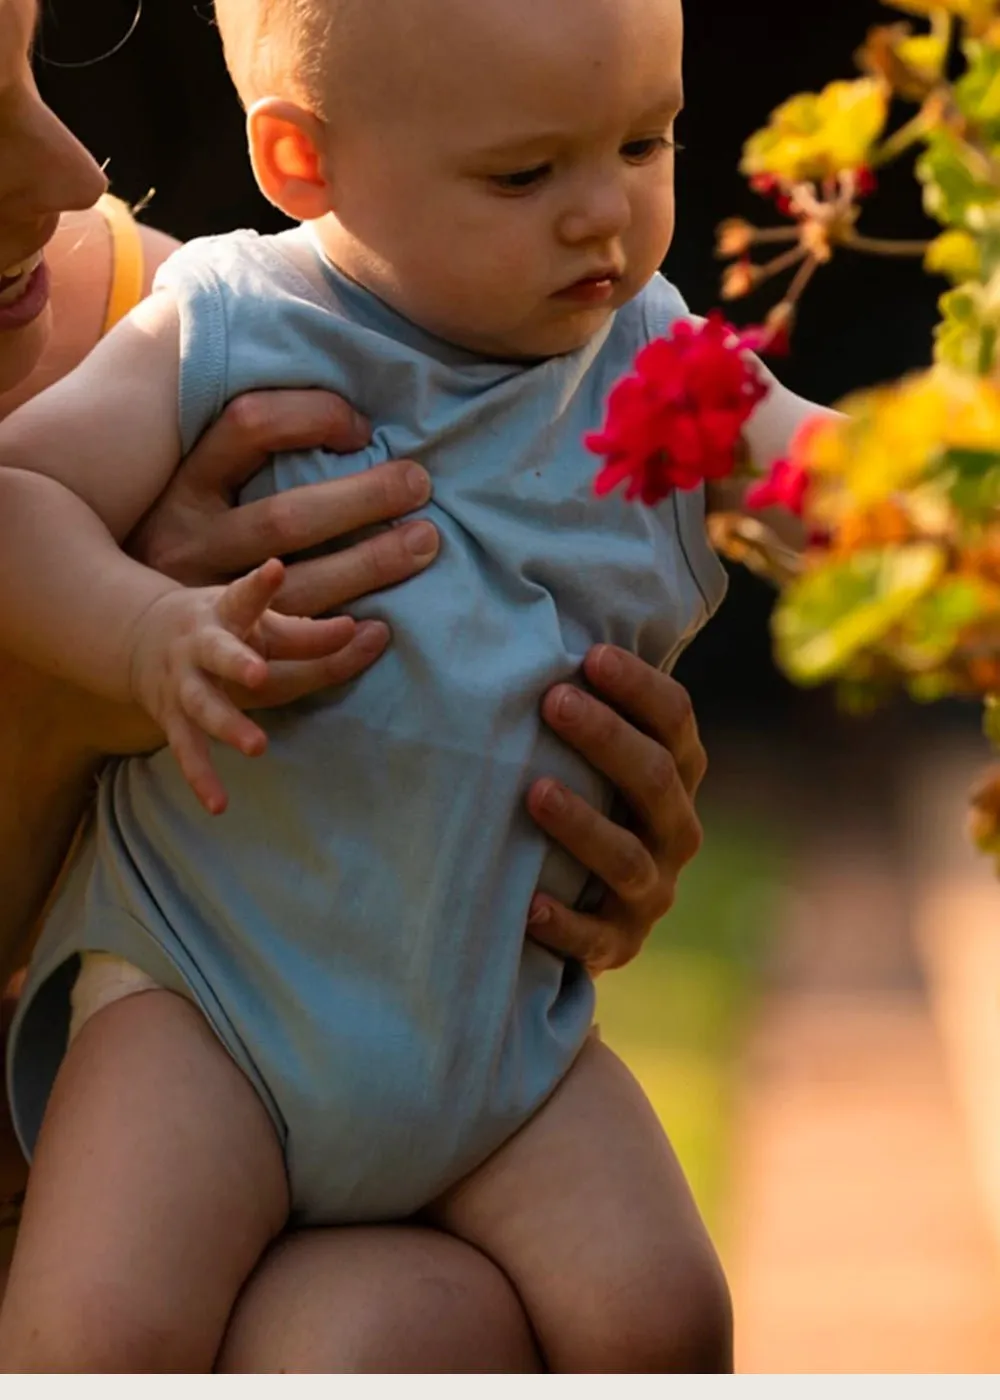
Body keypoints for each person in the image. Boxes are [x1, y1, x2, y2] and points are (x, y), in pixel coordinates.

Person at [0, 0, 713, 1372]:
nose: (603, 219)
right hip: (216, 1002)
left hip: (475, 1018)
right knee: (98, 1334)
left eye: (647, 140)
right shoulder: (225, 328)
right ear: (300, 162)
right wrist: (137, 638)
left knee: (641, 1315)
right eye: (525, 171)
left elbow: (836, 484)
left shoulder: (636, 344)